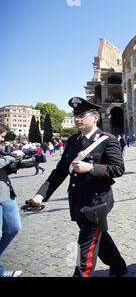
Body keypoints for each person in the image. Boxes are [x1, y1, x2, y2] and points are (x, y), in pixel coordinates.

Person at [30, 97, 127, 277]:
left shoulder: (107, 140)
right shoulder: (73, 141)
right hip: (77, 200)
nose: (77, 118)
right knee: (98, 236)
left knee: (85, 247)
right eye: (75, 115)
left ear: (95, 117)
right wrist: (40, 195)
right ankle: (119, 266)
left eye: (82, 115)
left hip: (97, 201)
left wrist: (91, 167)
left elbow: (118, 169)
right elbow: (60, 171)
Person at [0, 124, 25, 277]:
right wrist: (12, 157)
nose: (2, 139)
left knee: (14, 228)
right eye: (1, 136)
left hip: (6, 193)